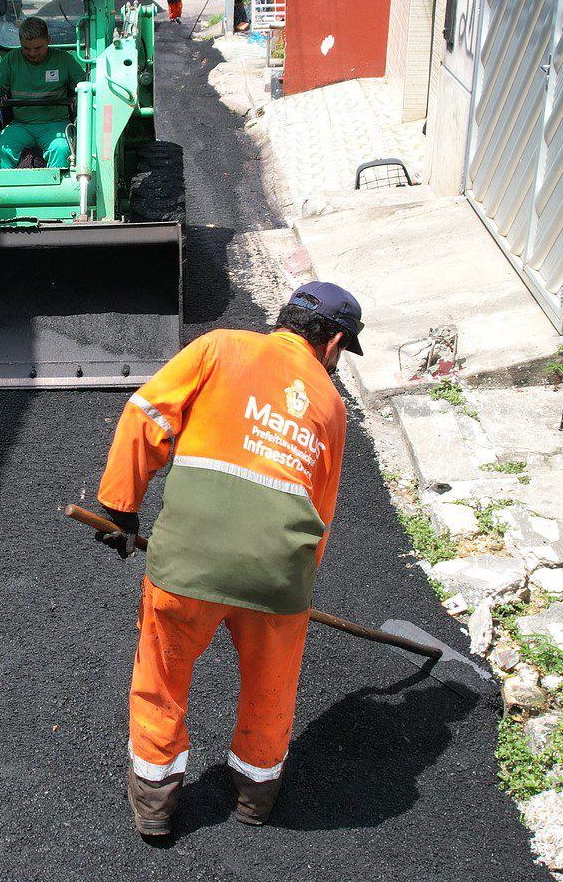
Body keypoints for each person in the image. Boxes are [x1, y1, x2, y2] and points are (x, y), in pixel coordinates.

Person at [86, 282, 365, 837]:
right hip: (278, 578)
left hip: (187, 562)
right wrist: (293, 586)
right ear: (332, 344)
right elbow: (321, 512)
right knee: (272, 684)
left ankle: (155, 805)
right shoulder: (332, 408)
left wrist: (121, 508)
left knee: (162, 678)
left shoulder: (220, 348)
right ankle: (256, 796)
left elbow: (146, 415)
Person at [0, 16, 84, 169]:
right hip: (22, 125)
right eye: (26, 48)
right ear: (20, 42)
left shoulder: (64, 60)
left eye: (38, 48)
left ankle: (57, 192)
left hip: (55, 125)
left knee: (61, 149)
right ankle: (3, 193)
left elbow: (84, 86)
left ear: (48, 40)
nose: (32, 53)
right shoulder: (13, 59)